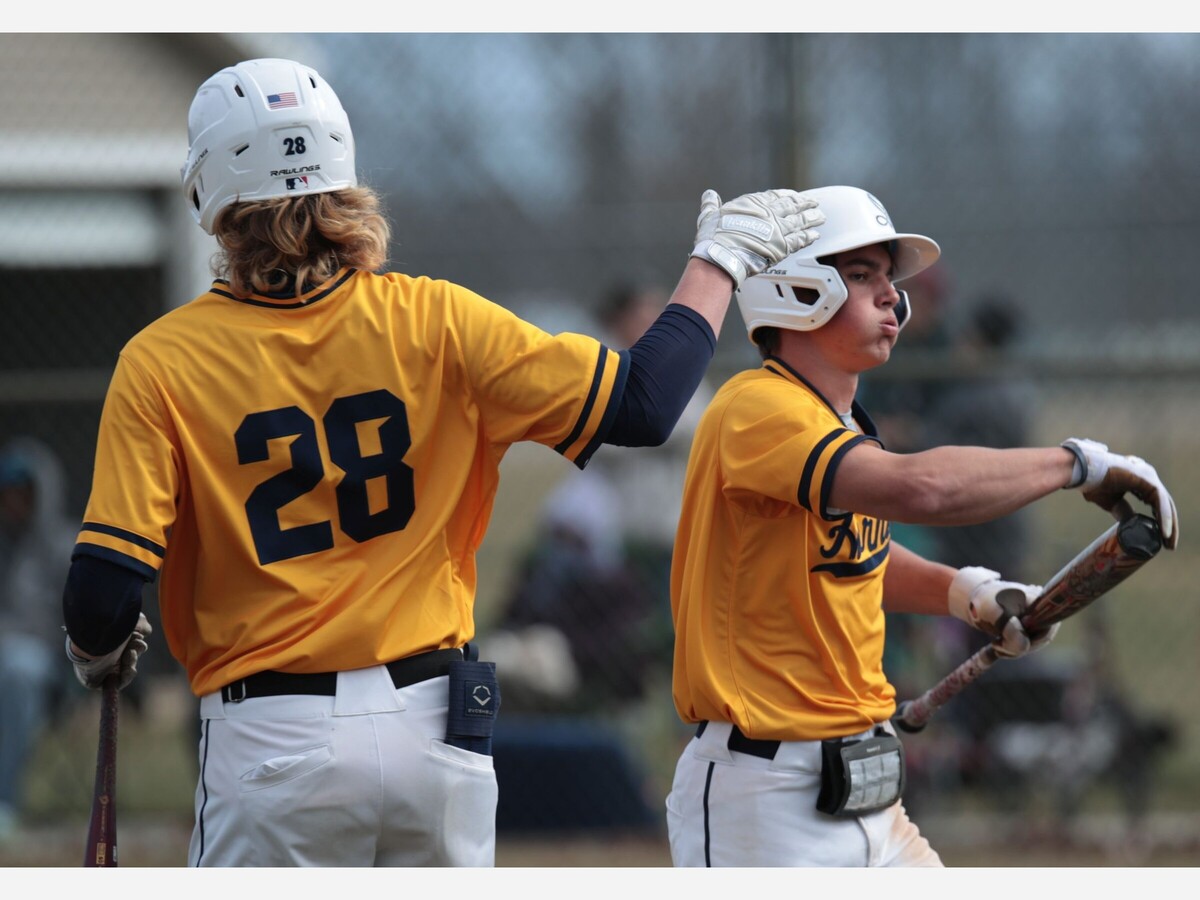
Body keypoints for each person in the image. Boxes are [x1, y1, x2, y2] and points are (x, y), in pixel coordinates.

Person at [58, 57, 825, 867]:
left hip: (271, 739)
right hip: (435, 734)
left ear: (210, 194)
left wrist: (97, 648)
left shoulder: (162, 360)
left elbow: (103, 589)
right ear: (343, 176)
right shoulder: (438, 320)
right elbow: (643, 403)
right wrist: (719, 262)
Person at [663, 184, 1179, 867]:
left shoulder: (835, 422)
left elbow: (852, 560)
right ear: (794, 289)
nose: (891, 296)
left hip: (865, 792)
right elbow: (923, 489)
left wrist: (967, 591)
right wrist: (1078, 464)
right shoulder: (758, 406)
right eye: (860, 275)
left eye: (888, 279)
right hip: (766, 806)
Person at [0, 437, 76, 839]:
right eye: (6, 493)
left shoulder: (65, 546)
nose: (13, 502)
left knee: (17, 669)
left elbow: (83, 623)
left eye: (22, 493)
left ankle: (4, 800)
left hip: (45, 669)